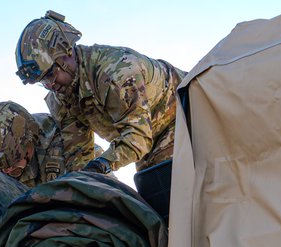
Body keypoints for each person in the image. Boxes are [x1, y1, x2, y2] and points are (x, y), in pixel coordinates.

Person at [14, 11, 182, 205]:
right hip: (148, 143)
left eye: (51, 73)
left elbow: (138, 137)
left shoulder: (116, 73)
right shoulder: (62, 99)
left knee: (174, 201)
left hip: (183, 119)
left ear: (67, 51)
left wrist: (102, 164)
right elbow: (78, 156)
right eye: (42, 81)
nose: (50, 84)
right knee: (154, 199)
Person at [0, 101, 93, 188]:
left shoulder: (64, 138)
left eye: (14, 164)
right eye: (1, 168)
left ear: (31, 142)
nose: (7, 171)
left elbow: (91, 185)